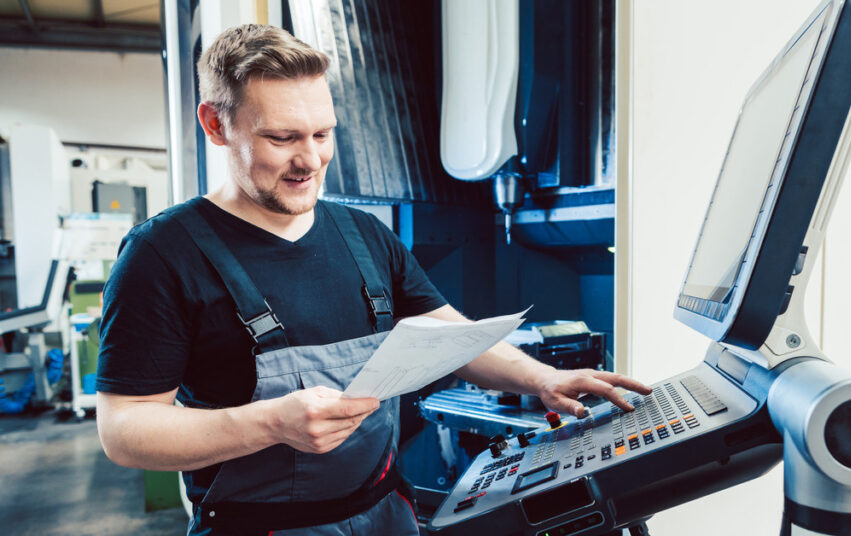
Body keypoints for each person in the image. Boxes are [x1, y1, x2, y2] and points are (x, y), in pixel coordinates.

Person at [95, 24, 650, 536]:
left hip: (388, 515)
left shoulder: (362, 234)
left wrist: (541, 380)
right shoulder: (162, 255)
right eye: (283, 137)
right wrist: (269, 423)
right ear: (216, 124)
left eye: (322, 133)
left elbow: (450, 340)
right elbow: (125, 430)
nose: (309, 159)